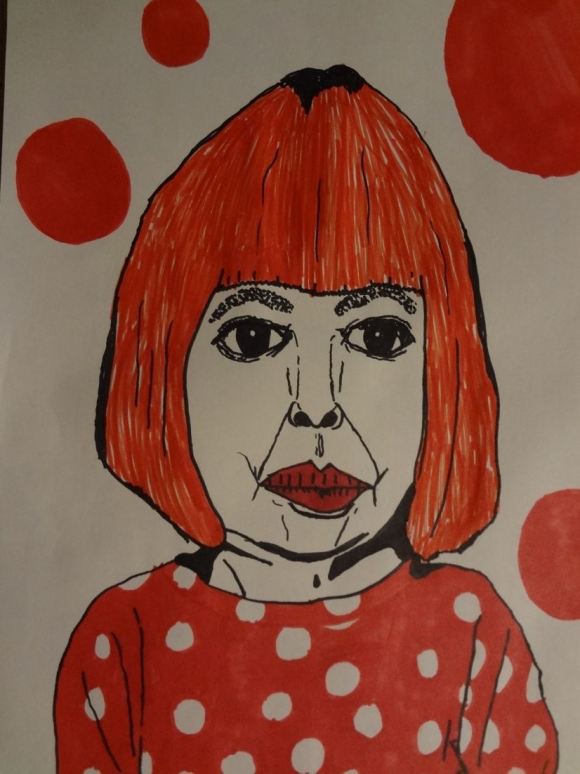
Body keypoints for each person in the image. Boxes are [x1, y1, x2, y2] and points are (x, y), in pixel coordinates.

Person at [54, 65, 558, 773]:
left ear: (447, 371)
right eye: (254, 336)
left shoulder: (475, 638)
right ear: (162, 365)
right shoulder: (125, 643)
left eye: (377, 335)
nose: (318, 404)